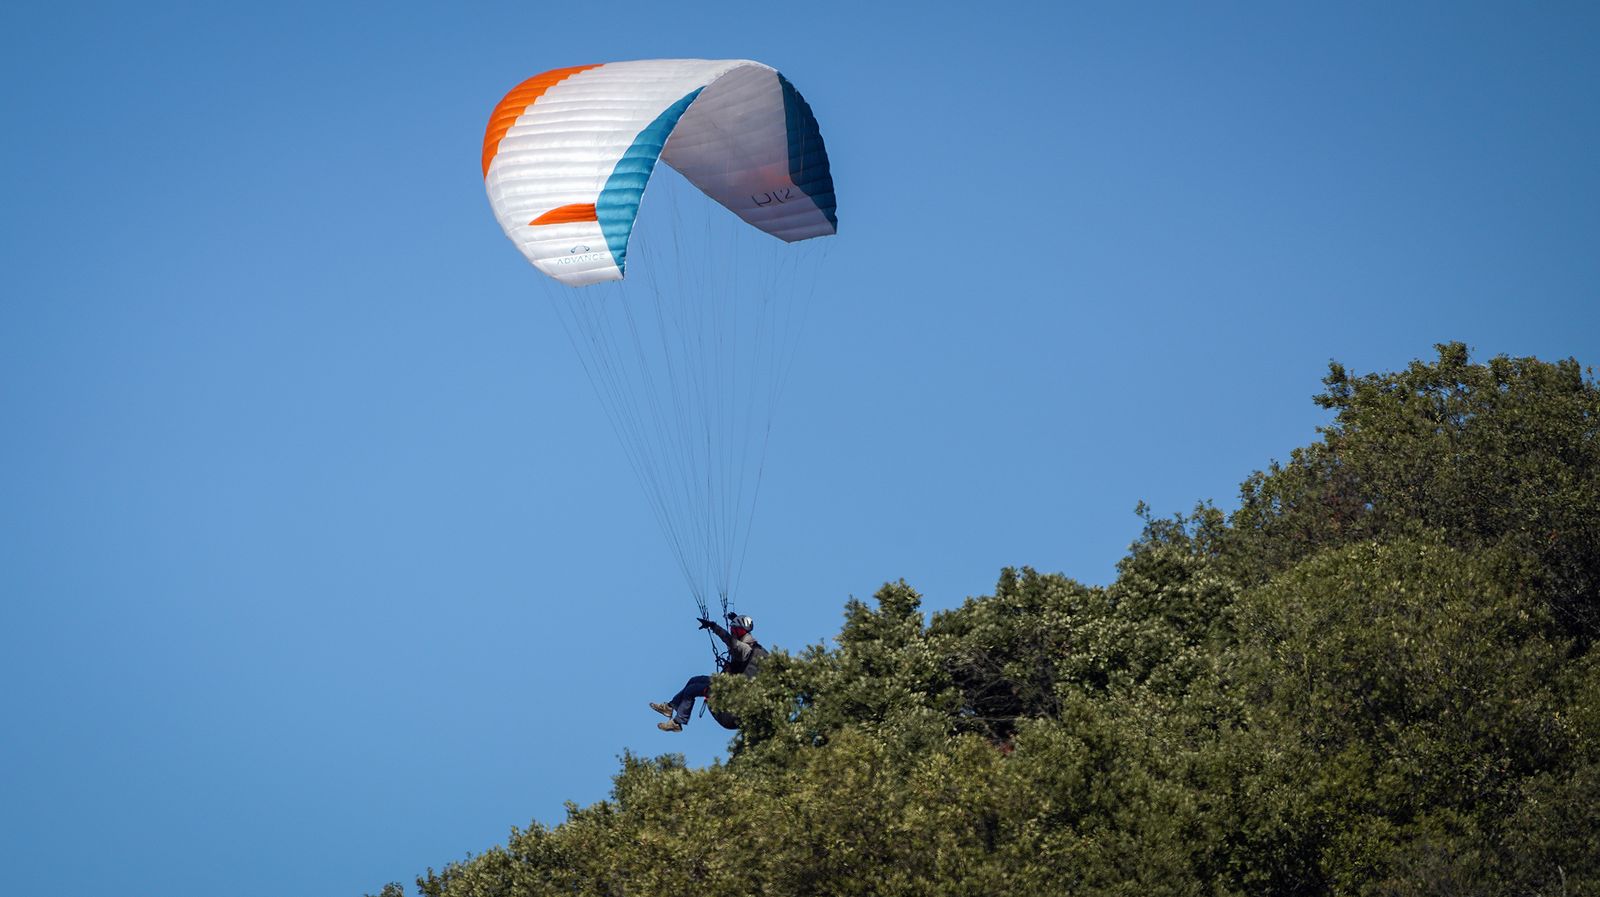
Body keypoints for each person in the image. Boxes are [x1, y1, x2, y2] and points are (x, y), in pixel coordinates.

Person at [650, 613, 767, 732]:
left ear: (738, 631)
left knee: (692, 690)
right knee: (694, 680)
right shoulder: (754, 648)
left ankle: (677, 722)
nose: (731, 632)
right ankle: (669, 707)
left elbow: (730, 641)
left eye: (733, 630)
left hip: (731, 712)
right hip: (734, 692)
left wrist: (713, 626)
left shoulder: (745, 649)